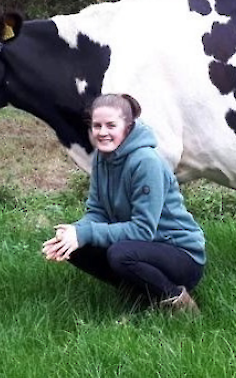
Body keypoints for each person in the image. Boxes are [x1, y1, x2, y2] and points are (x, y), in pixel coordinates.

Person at [42, 94, 206, 315]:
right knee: (74, 247)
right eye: (97, 125)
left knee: (121, 254)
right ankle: (141, 294)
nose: (102, 132)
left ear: (128, 127)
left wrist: (85, 233)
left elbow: (143, 230)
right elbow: (97, 212)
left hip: (181, 255)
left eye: (111, 125)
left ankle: (178, 302)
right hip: (143, 247)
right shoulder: (102, 158)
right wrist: (75, 233)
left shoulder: (146, 162)